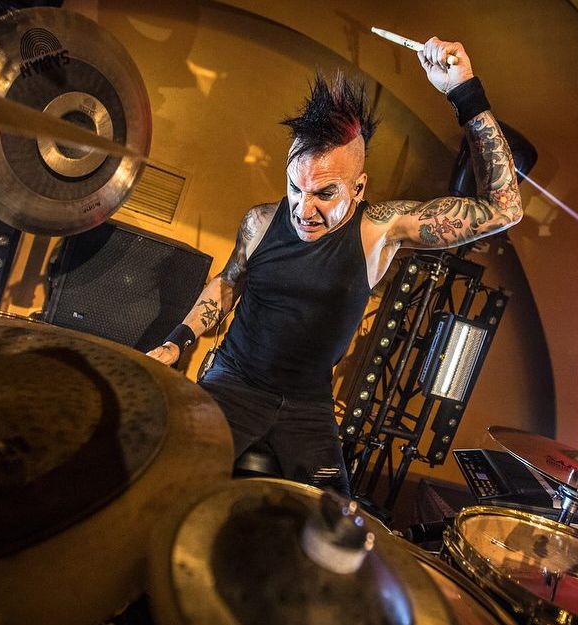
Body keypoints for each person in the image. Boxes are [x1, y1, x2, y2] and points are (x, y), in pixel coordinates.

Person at [147, 37, 522, 496]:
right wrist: (177, 341)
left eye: (325, 194)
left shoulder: (380, 231)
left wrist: (464, 91)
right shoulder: (260, 223)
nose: (304, 209)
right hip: (234, 383)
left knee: (333, 524)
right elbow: (227, 284)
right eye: (295, 188)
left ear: (358, 188)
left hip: (309, 405)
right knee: (167, 485)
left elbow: (504, 208)